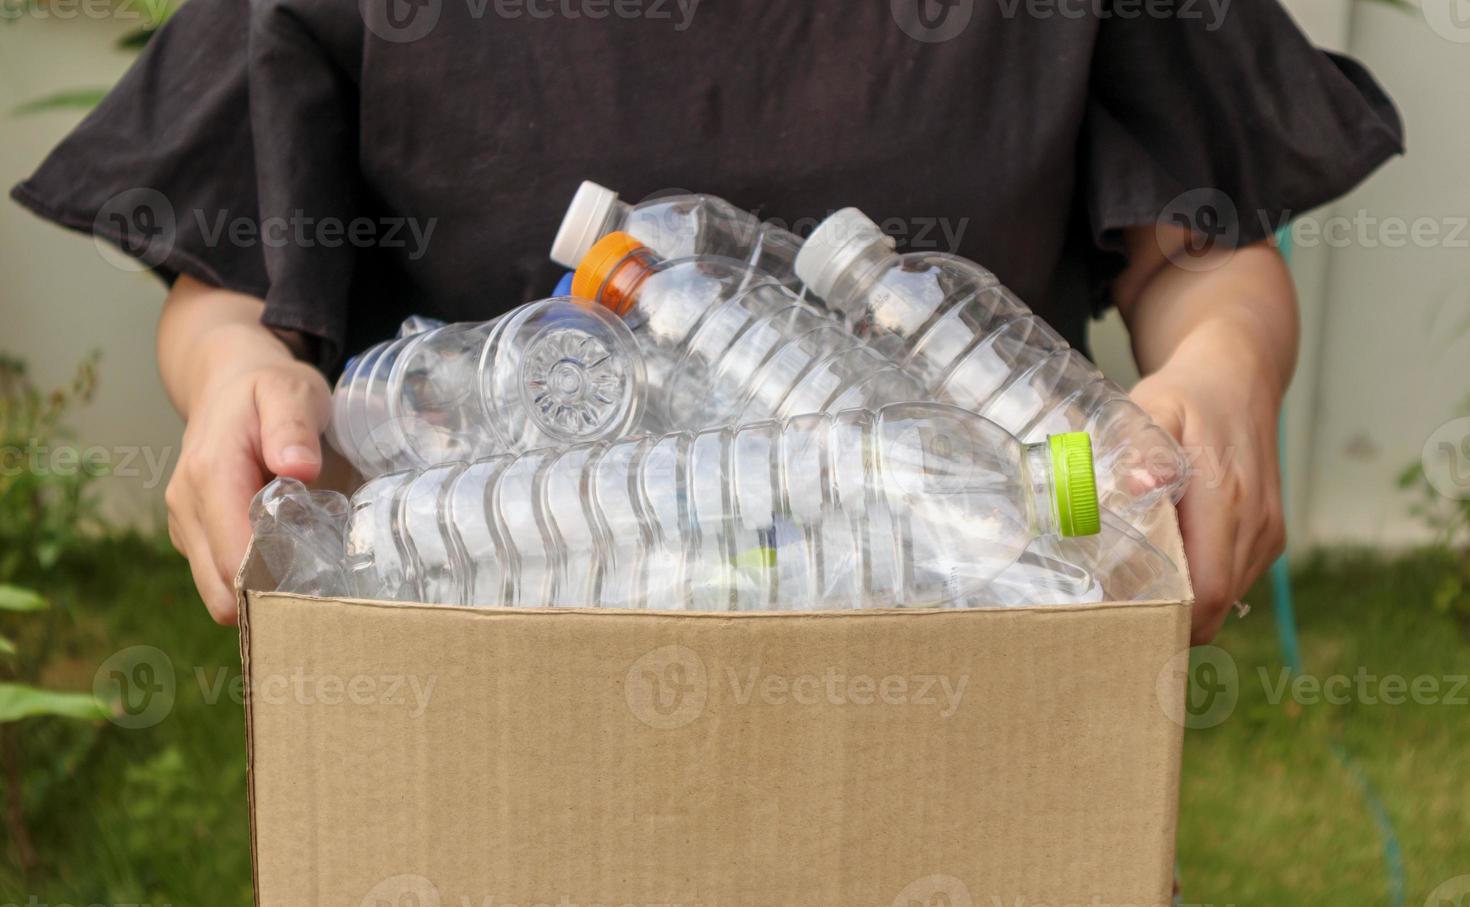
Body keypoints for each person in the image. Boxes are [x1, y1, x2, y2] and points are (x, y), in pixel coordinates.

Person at [12, 0, 1401, 645]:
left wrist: (1223, 363)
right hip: (496, 624)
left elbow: (1197, 247)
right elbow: (234, 271)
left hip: (969, 618)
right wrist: (235, 372)